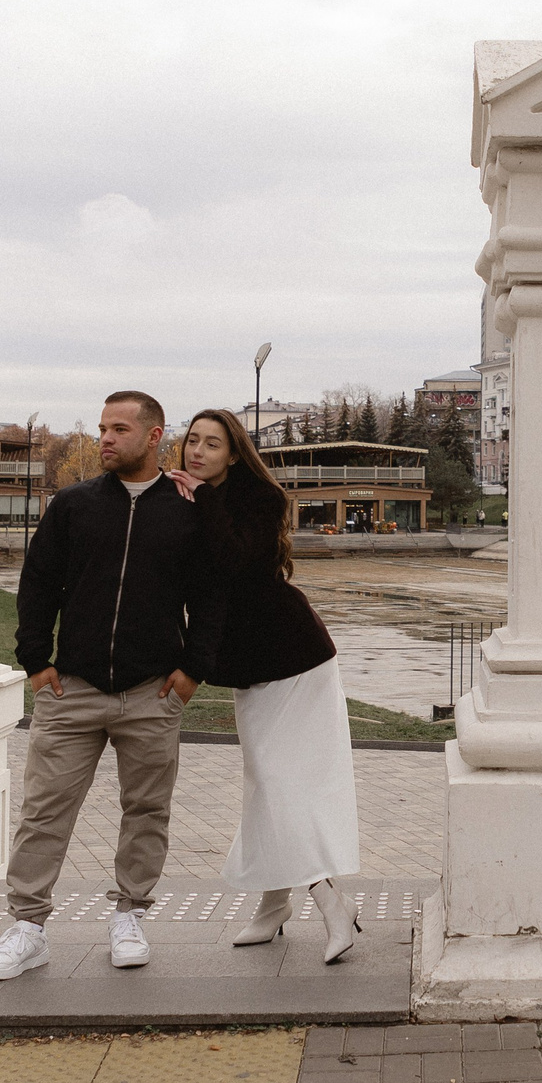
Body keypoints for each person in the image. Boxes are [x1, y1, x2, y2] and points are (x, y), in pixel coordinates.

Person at [0, 391, 220, 981]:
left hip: (153, 691)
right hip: (73, 689)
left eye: (119, 429)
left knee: (146, 810)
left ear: (154, 436)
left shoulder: (189, 510)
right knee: (44, 811)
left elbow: (211, 600)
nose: (105, 439)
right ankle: (28, 928)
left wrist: (190, 673)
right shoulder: (74, 505)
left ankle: (129, 915)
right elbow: (38, 586)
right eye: (103, 429)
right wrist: (36, 662)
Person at [171, 409, 363, 962]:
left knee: (281, 781)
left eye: (213, 444)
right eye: (193, 442)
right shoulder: (185, 499)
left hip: (295, 656)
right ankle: (274, 905)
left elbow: (234, 563)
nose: (198, 452)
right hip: (249, 665)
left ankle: (331, 903)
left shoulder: (261, 500)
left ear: (234, 454)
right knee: (266, 780)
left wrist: (200, 502)